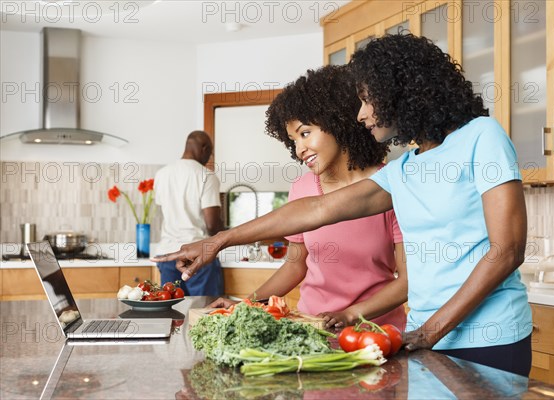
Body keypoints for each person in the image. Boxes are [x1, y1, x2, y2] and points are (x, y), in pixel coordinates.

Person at [153, 34, 532, 376]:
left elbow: (507, 250)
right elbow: (317, 209)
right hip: (428, 338)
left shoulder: (482, 137)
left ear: (399, 91)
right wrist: (217, 241)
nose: (361, 113)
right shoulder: (406, 169)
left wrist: (430, 330)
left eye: (368, 99)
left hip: (487, 337)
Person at [209, 65, 407, 329]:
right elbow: (294, 266)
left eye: (305, 133)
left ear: (337, 122)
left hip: (375, 332)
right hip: (313, 328)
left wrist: (350, 314)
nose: (299, 149)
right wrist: (244, 305)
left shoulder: (389, 186)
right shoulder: (302, 188)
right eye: (292, 140)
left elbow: (407, 280)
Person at [153, 130, 225, 296]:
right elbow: (212, 224)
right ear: (205, 148)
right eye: (210, 153)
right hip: (197, 255)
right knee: (205, 313)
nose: (209, 158)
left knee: (172, 312)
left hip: (168, 254)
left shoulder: (162, 174)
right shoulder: (206, 176)